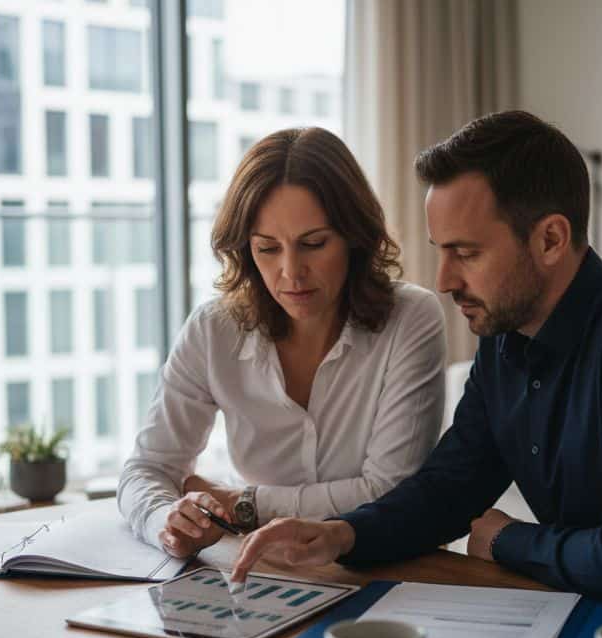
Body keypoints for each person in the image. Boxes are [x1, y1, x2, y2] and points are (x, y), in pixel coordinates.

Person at [231, 111, 602, 633]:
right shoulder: (506, 338)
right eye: (439, 250)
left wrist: (507, 541)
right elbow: (448, 489)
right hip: (595, 624)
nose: (445, 279)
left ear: (550, 239)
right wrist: (340, 533)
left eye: (466, 253)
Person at [119, 127, 447, 559]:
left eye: (313, 244)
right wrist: (169, 521)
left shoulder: (411, 319)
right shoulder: (213, 329)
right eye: (268, 248)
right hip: (265, 570)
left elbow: (390, 490)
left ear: (353, 237)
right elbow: (147, 468)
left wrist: (243, 504)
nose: (291, 272)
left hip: (386, 562)